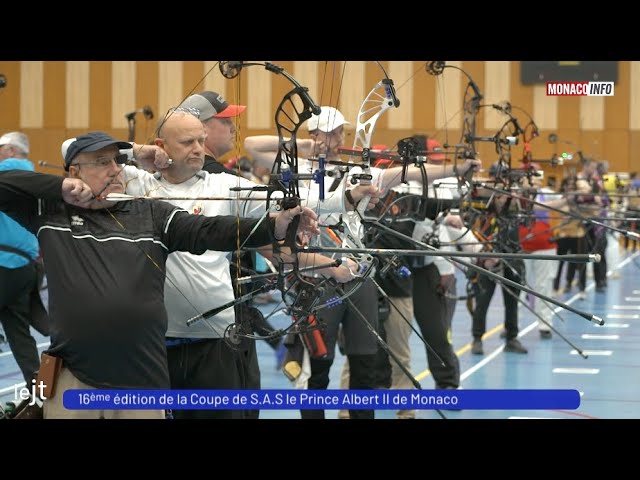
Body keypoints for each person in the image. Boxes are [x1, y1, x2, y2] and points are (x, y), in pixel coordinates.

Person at [0, 131, 317, 419]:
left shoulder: (151, 213)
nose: (115, 169)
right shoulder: (51, 213)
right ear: (74, 172)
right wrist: (60, 188)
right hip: (74, 379)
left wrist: (273, 225)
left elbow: (207, 230)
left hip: (142, 383)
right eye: (101, 162)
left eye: (118, 160)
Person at [115, 107, 366, 419]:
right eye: (187, 142)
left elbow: (288, 198)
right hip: (153, 341)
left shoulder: (222, 185)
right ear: (162, 146)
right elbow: (75, 151)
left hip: (213, 340)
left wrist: (350, 196)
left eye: (201, 140)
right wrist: (139, 151)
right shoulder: (138, 184)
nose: (197, 149)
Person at [245, 108, 481, 419]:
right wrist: (306, 146)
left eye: (340, 133)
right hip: (315, 280)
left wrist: (456, 169)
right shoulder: (296, 168)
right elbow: (251, 145)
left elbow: (409, 173)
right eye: (329, 133)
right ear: (314, 134)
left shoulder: (357, 172)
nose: (338, 139)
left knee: (365, 369)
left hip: (357, 277)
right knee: (317, 372)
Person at [0, 132, 48, 384]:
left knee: (19, 335)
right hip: (27, 269)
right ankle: (40, 395)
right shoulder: (37, 179)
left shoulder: (2, 175)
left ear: (9, 150)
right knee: (20, 337)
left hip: (3, 265)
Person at [470, 164, 528, 355]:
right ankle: (477, 338)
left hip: (512, 256)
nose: (503, 199)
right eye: (499, 195)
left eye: (505, 196)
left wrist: (517, 188)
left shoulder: (516, 205)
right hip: (488, 257)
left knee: (512, 302)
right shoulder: (484, 206)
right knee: (483, 300)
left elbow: (528, 208)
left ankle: (512, 337)